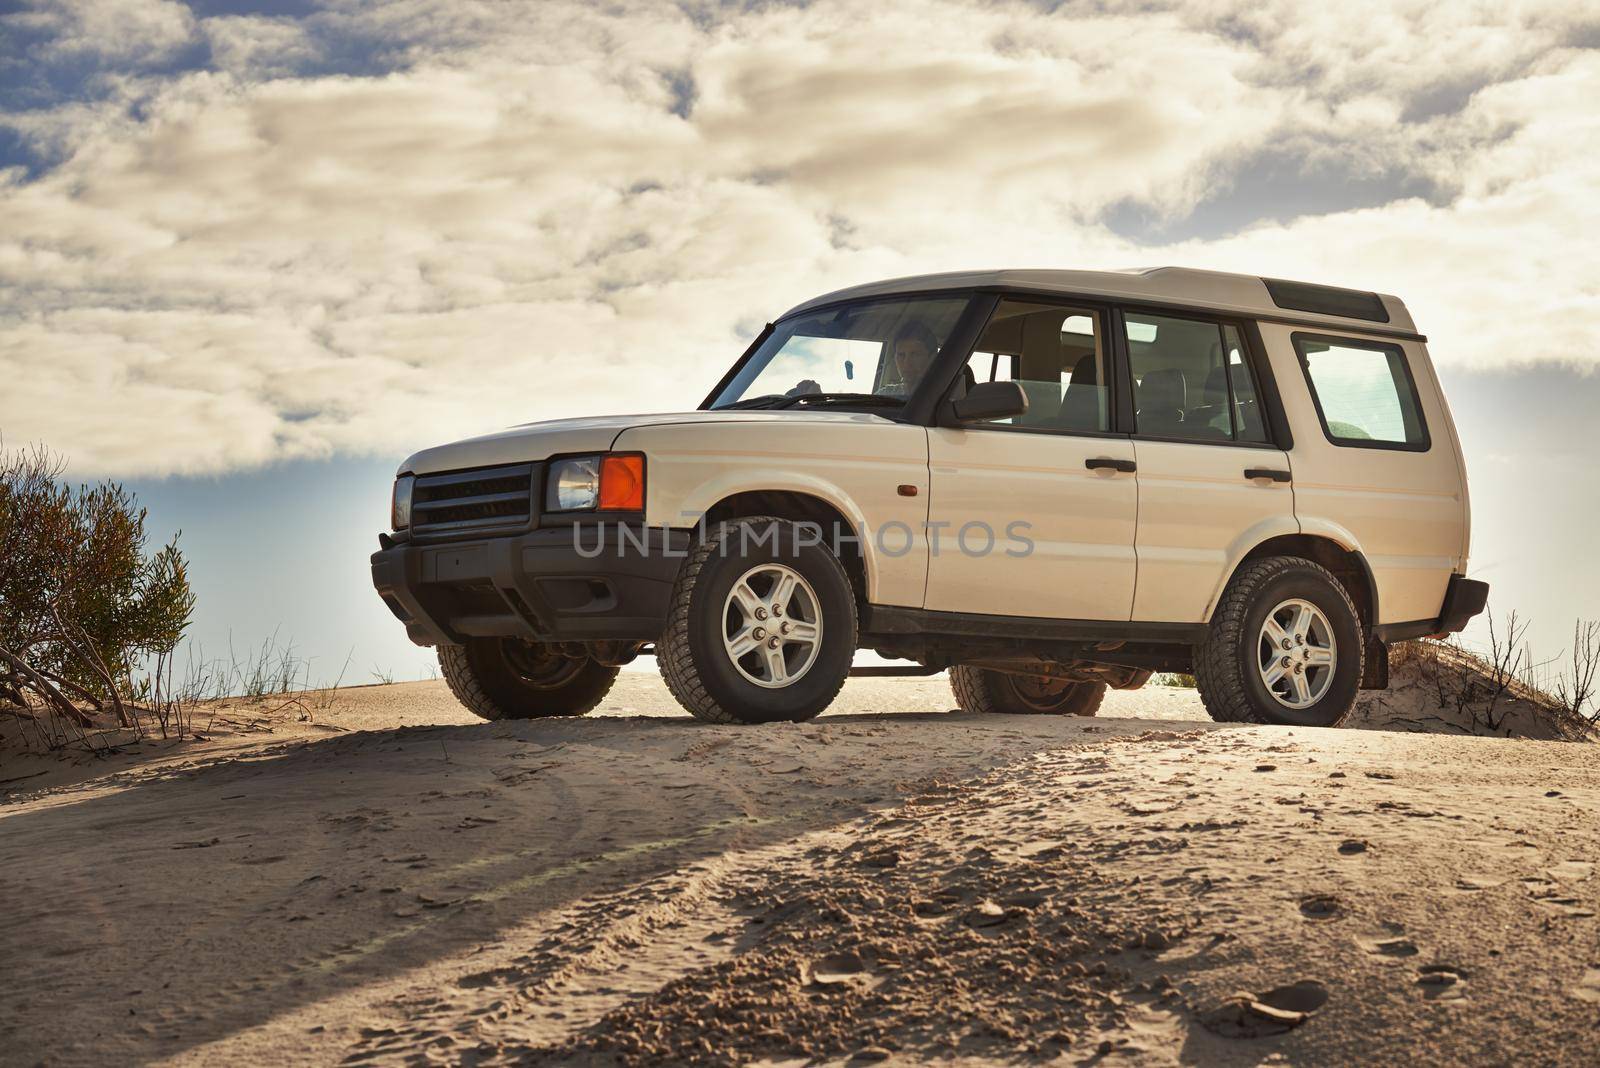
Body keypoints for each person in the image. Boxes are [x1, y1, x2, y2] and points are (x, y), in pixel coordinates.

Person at [880, 321, 937, 396]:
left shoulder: (943, 396)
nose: (907, 363)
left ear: (931, 358)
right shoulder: (885, 395)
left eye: (915, 355)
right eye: (901, 355)